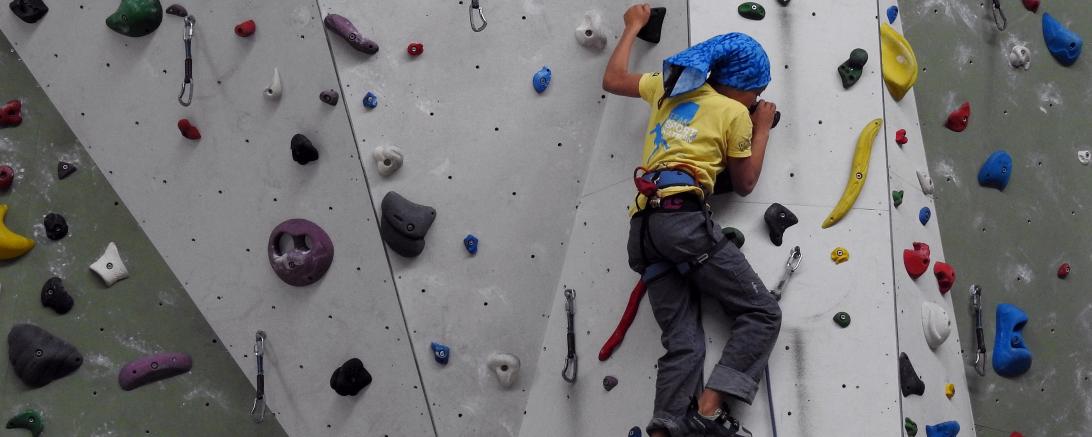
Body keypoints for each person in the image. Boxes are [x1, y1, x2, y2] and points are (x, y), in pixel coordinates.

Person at [601, 4, 783, 437]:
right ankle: (708, 408)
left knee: (683, 342)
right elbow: (745, 182)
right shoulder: (734, 113)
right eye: (754, 92)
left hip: (642, 232)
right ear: (735, 86)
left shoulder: (667, 90)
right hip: (681, 223)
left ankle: (665, 430)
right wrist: (761, 129)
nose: (755, 100)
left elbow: (612, 79)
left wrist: (633, 27)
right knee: (761, 313)